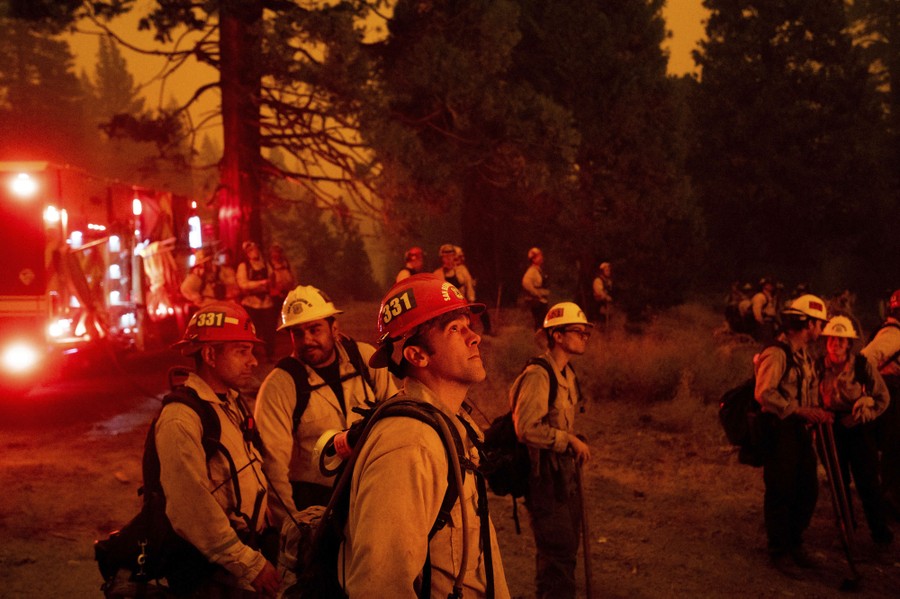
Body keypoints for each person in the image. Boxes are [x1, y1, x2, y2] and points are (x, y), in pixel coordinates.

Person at [340, 273, 510, 597]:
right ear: (418, 356)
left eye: (468, 324)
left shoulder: (448, 427)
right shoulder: (410, 444)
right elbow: (378, 588)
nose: (474, 337)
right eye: (455, 329)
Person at [160, 302, 280, 597]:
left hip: (240, 558)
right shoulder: (181, 418)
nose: (252, 361)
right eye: (241, 351)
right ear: (210, 355)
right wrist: (250, 565)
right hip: (210, 573)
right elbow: (192, 510)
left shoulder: (231, 403)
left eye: (251, 351)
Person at [254, 285, 397, 528]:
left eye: (314, 329)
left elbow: (395, 416)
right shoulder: (280, 385)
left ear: (334, 328)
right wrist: (293, 527)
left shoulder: (364, 359)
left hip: (372, 483)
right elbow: (273, 467)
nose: (307, 340)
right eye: (297, 333)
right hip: (316, 501)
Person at [510, 302, 592, 599]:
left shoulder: (567, 374)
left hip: (564, 477)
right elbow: (527, 429)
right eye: (578, 331)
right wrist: (567, 440)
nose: (584, 336)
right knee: (557, 555)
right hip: (544, 480)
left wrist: (571, 439)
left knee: (566, 550)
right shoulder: (539, 375)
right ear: (557, 335)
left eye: (586, 332)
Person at [754, 294, 831, 579]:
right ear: (808, 323)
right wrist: (798, 411)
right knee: (781, 490)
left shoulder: (803, 355)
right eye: (818, 323)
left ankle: (795, 542)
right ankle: (780, 551)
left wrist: (817, 413)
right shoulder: (777, 353)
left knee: (807, 489)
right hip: (779, 429)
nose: (821, 329)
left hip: (799, 430)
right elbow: (763, 392)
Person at [818, 315, 893, 545]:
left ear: (849, 344)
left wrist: (863, 414)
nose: (836, 344)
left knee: (868, 481)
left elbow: (882, 398)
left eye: (841, 340)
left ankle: (880, 533)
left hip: (859, 429)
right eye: (832, 339)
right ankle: (846, 528)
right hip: (830, 429)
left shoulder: (862, 365)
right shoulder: (818, 366)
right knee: (838, 479)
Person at [861, 288, 900, 519]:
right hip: (893, 398)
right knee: (895, 450)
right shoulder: (893, 335)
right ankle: (890, 503)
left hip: (892, 394)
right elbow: (864, 360)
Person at [236, 241, 278, 359]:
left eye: (254, 249)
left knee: (269, 329)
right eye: (250, 250)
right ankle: (252, 354)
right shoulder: (244, 266)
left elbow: (272, 277)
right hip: (251, 303)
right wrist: (260, 283)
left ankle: (270, 353)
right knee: (252, 330)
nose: (253, 252)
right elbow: (242, 284)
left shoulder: (265, 264)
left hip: (266, 302)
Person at [522, 247, 550, 330]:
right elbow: (525, 282)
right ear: (533, 259)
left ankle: (542, 339)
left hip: (542, 300)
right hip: (537, 301)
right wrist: (536, 293)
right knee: (540, 323)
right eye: (539, 256)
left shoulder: (538, 270)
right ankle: (540, 340)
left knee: (543, 323)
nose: (541, 257)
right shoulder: (532, 271)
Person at [266, 243, 296, 308]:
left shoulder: (286, 263)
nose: (277, 254)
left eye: (278, 252)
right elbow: (269, 281)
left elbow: (293, 277)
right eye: (274, 252)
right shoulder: (269, 265)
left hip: (288, 294)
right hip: (276, 296)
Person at [750, 277, 779, 342]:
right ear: (764, 286)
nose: (771, 286)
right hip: (764, 324)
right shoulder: (760, 296)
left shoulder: (771, 297)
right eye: (768, 284)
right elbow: (757, 314)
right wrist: (762, 326)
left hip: (770, 323)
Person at [591, 261, 613, 326]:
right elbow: (599, 292)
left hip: (606, 302)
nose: (608, 272)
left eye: (609, 270)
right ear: (602, 272)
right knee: (600, 318)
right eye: (606, 271)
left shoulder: (608, 281)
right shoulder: (598, 280)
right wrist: (606, 297)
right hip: (598, 302)